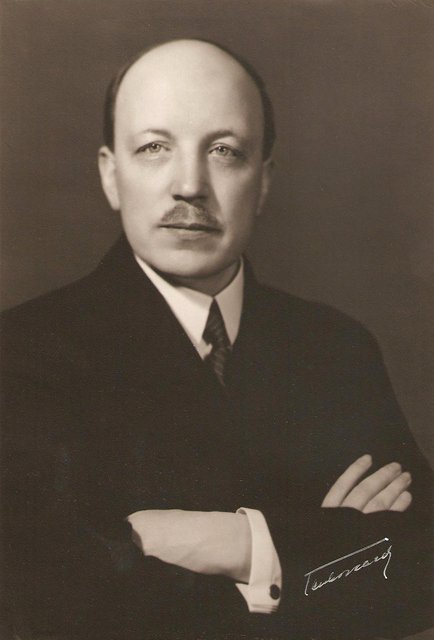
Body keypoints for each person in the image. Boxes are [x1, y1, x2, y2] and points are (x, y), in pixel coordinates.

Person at [2, 38, 432, 640]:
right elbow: (55, 605)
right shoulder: (21, 352)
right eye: (154, 147)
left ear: (264, 181)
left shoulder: (336, 347)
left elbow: (418, 570)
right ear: (111, 174)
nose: (190, 185)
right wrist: (327, 543)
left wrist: (235, 542)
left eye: (224, 150)